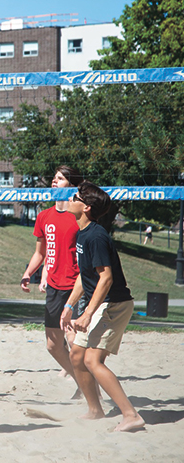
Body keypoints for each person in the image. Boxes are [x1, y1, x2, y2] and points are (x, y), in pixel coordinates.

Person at [61, 182, 145, 432]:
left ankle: (131, 415)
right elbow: (85, 277)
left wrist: (87, 314)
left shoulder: (96, 236)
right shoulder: (83, 233)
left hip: (114, 305)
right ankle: (95, 409)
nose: (69, 198)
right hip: (102, 303)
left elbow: (105, 278)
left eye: (74, 196)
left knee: (92, 360)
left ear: (85, 207)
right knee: (76, 355)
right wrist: (69, 305)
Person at [20, 166, 83, 379]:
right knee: (53, 345)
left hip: (76, 285)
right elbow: (41, 253)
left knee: (74, 341)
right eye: (54, 179)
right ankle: (80, 380)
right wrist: (28, 273)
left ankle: (89, 387)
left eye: (61, 179)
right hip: (54, 286)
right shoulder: (44, 216)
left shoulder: (80, 216)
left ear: (72, 185)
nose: (54, 182)